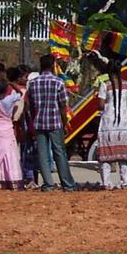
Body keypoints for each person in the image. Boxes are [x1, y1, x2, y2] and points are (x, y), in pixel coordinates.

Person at [23, 54, 77, 191]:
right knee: (59, 152)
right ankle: (67, 183)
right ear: (53, 65)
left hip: (39, 122)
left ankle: (48, 183)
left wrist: (33, 121)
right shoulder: (58, 82)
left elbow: (30, 106)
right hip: (55, 122)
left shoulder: (33, 83)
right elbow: (63, 105)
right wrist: (65, 123)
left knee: (43, 154)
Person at [96, 59, 127, 188]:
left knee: (106, 155)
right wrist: (122, 108)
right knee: (123, 156)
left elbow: (101, 105)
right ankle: (125, 182)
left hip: (108, 124)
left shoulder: (105, 85)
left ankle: (106, 183)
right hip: (123, 125)